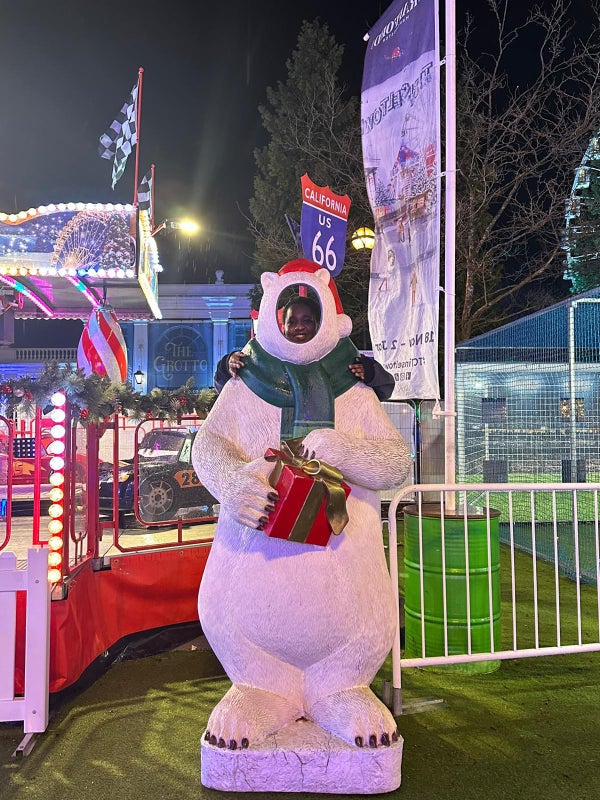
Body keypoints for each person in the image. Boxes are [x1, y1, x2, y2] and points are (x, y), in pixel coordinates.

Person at [214, 295, 395, 401]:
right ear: (283, 328)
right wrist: (227, 366)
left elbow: (386, 389)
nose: (299, 327)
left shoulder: (343, 359)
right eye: (292, 322)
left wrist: (371, 373)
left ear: (318, 324)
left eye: (307, 321)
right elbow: (223, 388)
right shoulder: (264, 359)